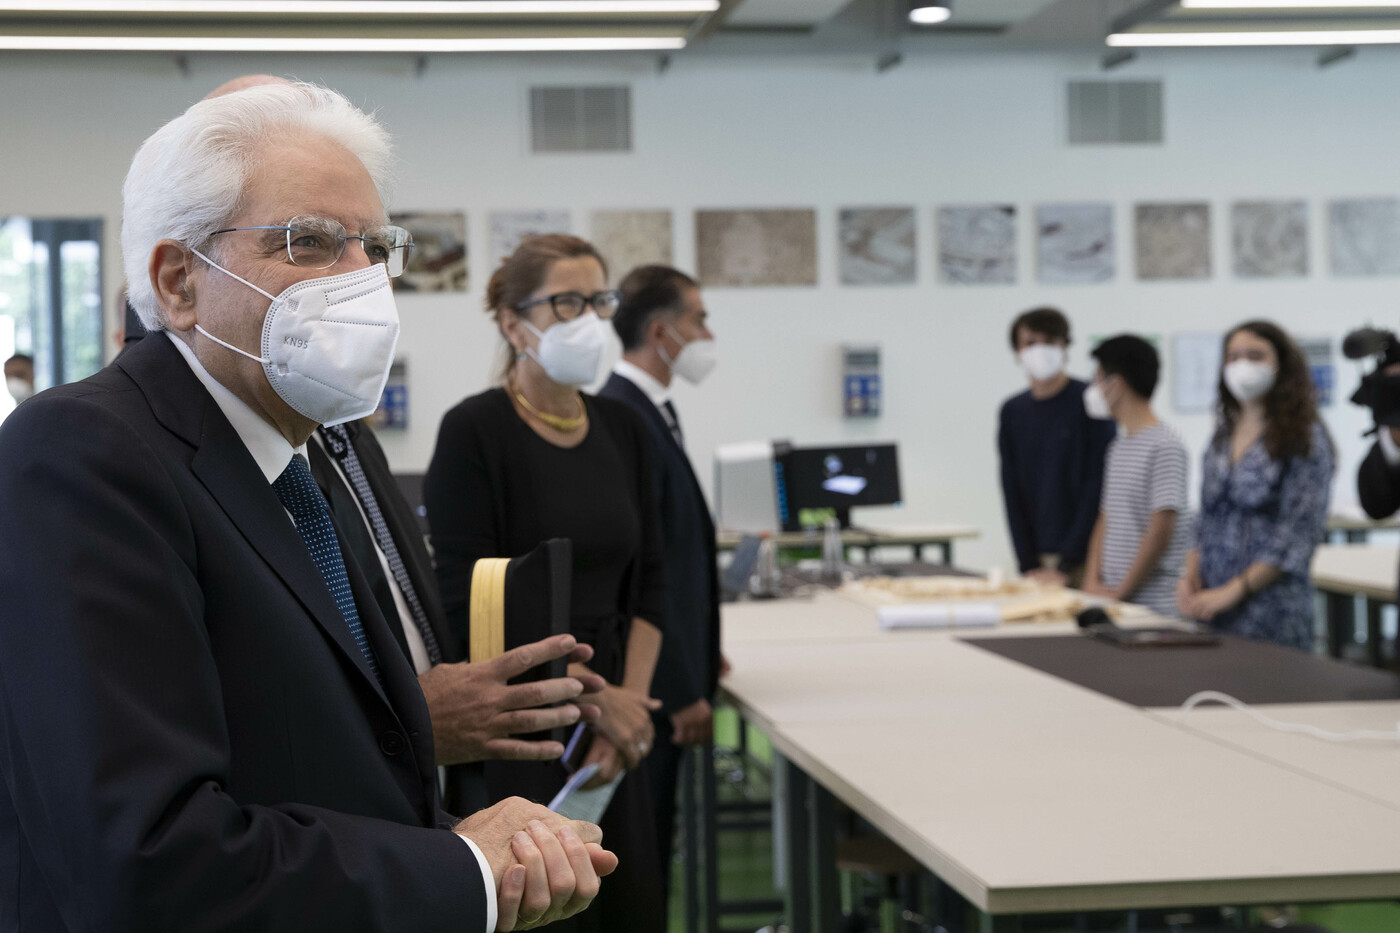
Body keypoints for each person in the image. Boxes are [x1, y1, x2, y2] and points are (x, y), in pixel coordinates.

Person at [0, 81, 615, 932]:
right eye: (311, 243)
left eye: (373, 246)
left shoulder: (301, 452)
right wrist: (463, 868)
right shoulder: (82, 451)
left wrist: (476, 844)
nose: (362, 282)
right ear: (179, 280)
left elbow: (344, 768)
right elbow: (149, 859)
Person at [426, 234, 668, 932]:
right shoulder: (475, 430)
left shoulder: (624, 427)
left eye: (599, 298)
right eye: (568, 301)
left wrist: (630, 709)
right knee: (543, 911)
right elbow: (466, 598)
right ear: (513, 323)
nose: (589, 316)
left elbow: (650, 578)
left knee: (630, 902)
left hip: (620, 723)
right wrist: (597, 704)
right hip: (524, 717)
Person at [598, 264, 722, 894]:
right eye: (698, 318)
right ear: (660, 331)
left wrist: (707, 651)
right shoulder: (625, 415)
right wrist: (680, 686)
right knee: (640, 861)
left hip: (675, 668)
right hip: (653, 688)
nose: (708, 332)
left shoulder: (653, 411)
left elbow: (679, 546)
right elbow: (649, 570)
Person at [1177, 320, 1334, 650]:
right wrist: (1189, 574)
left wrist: (1236, 590)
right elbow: (1204, 515)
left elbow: (1297, 534)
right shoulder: (1222, 435)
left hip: (1270, 608)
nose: (1242, 364)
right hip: (1209, 604)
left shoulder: (1305, 437)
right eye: (1233, 357)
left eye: (1255, 355)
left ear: (1281, 365)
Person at [998, 307, 1116, 585]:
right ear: (1017, 351)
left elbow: (1098, 485)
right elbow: (1010, 488)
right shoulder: (1013, 411)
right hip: (1036, 561)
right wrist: (1026, 562)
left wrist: (1067, 562)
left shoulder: (1091, 401)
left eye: (1049, 342)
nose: (1040, 351)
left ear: (1065, 346)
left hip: (1089, 556)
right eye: (1030, 343)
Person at [1081, 335, 1191, 618]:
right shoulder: (1118, 446)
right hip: (1113, 601)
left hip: (1153, 606)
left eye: (1097, 380)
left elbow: (1160, 531)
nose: (1093, 389)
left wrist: (1121, 593)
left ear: (1115, 385)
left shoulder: (1166, 446)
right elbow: (1106, 516)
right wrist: (1092, 581)